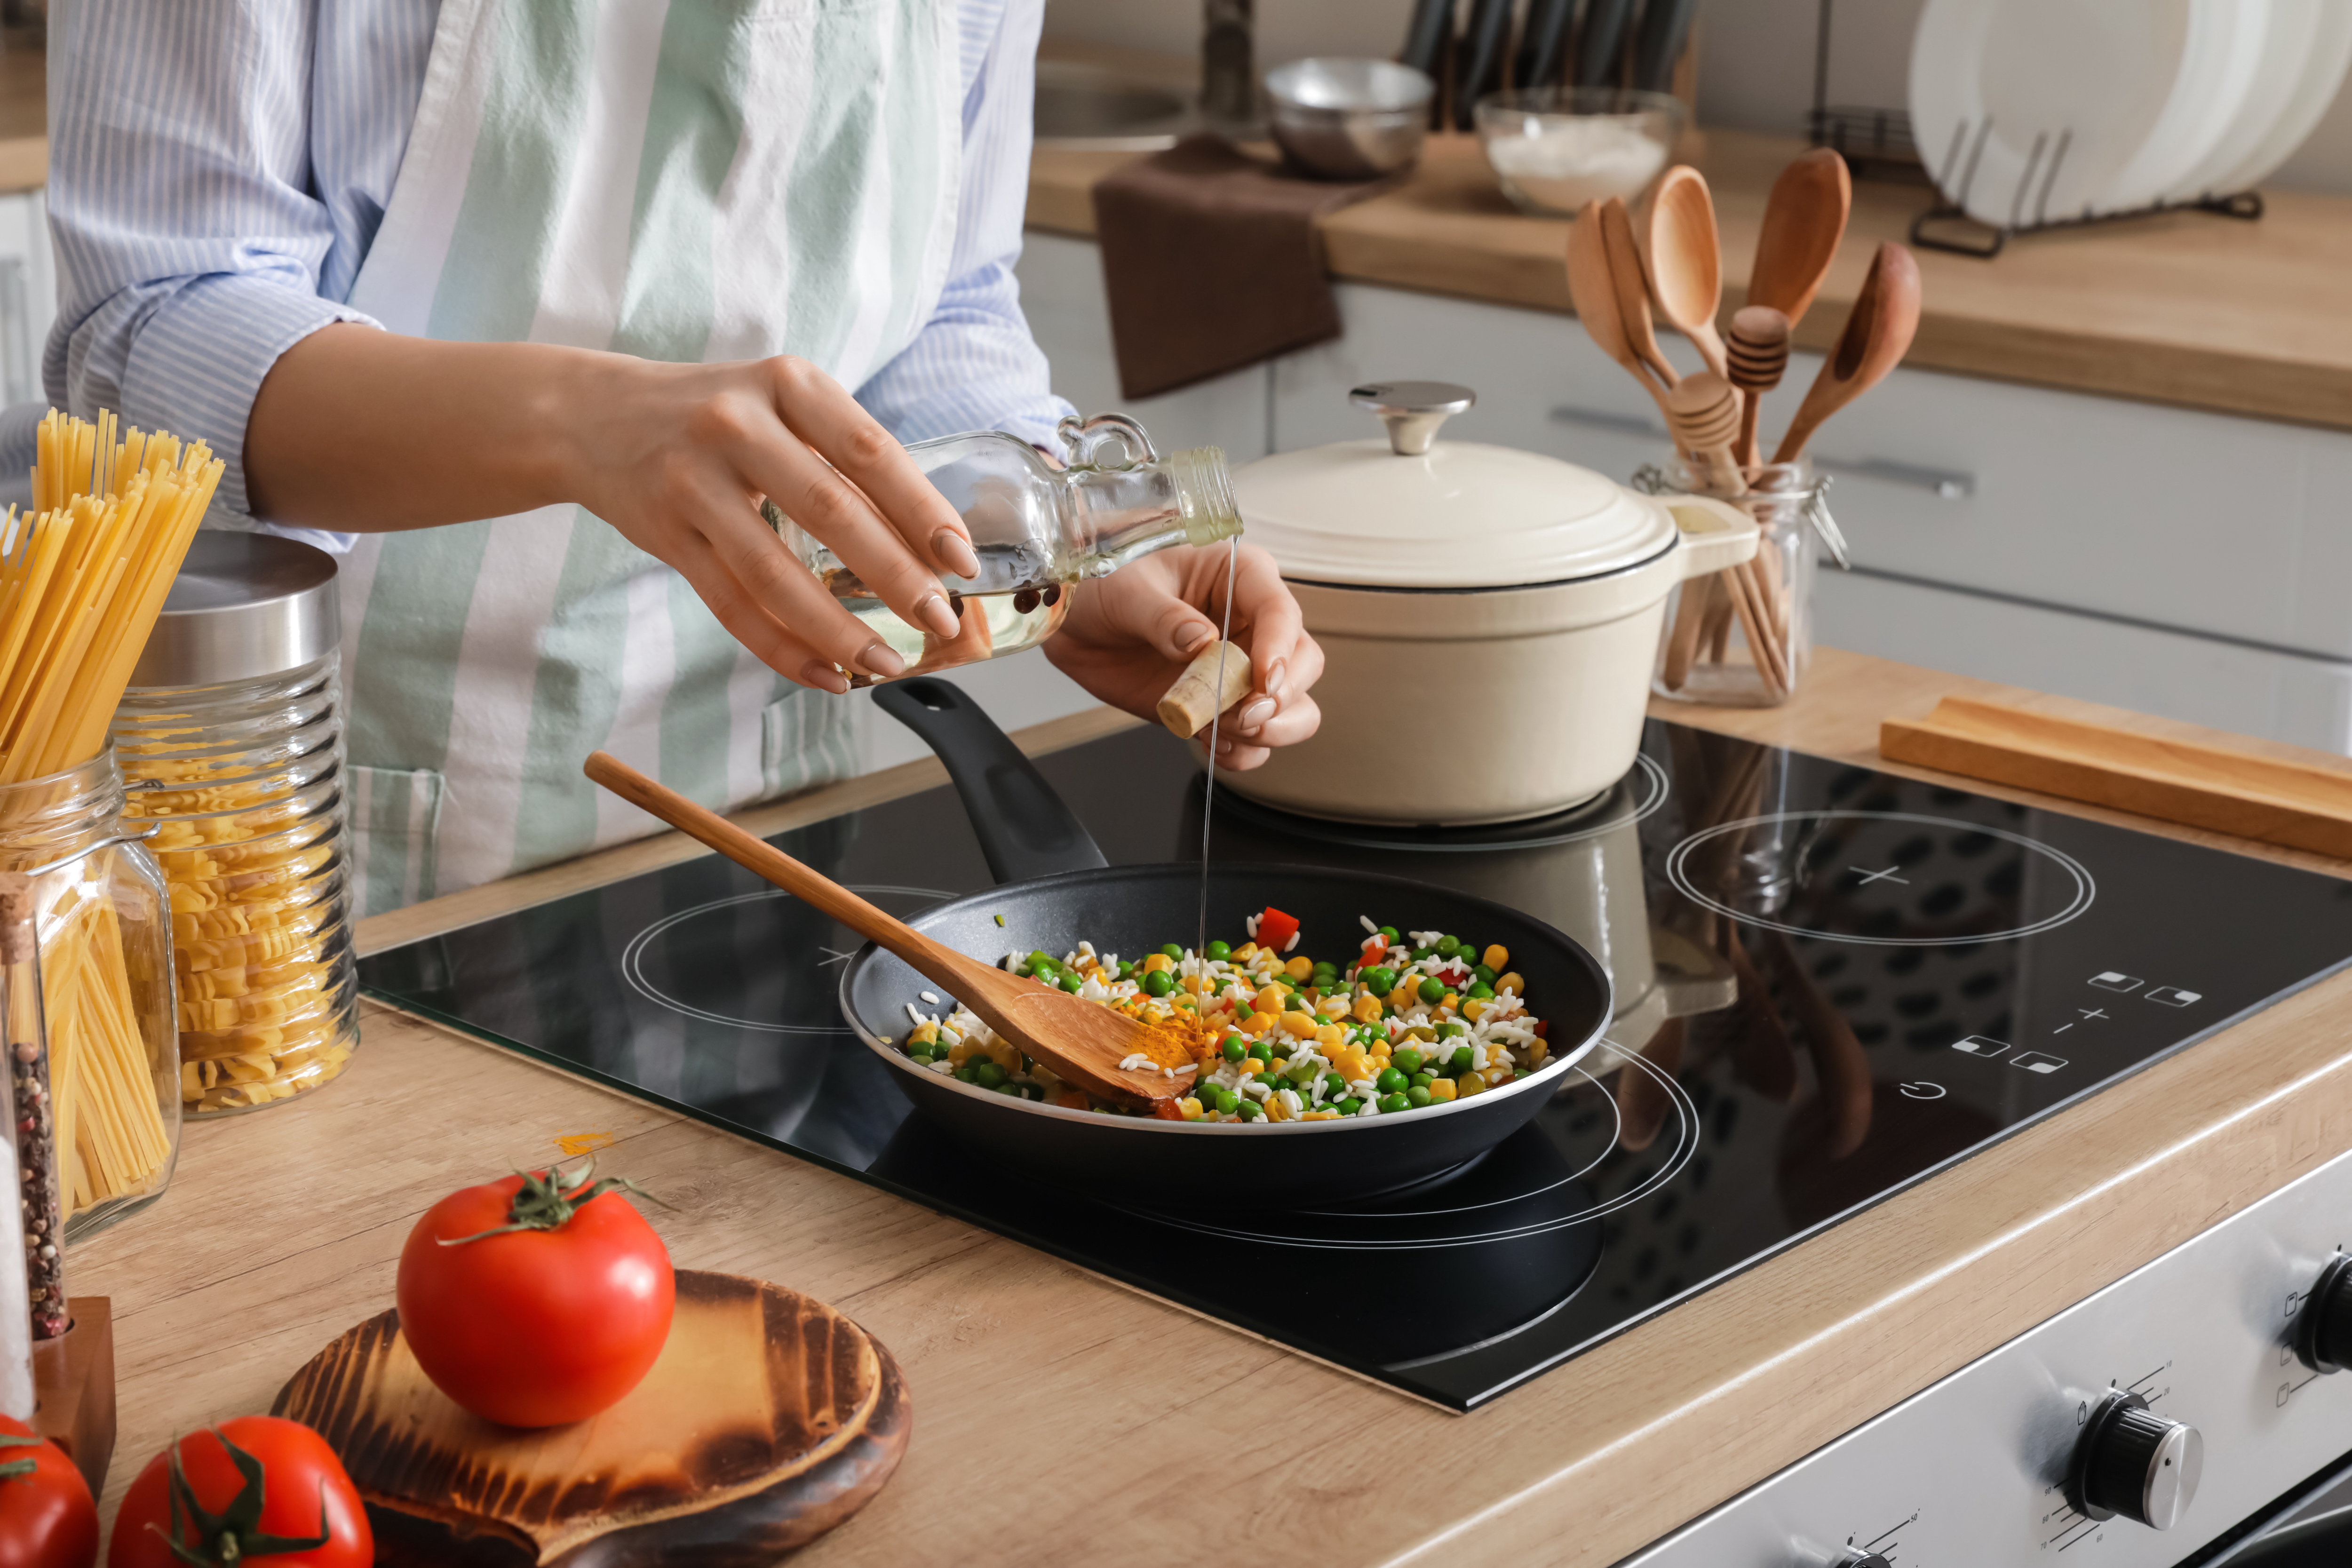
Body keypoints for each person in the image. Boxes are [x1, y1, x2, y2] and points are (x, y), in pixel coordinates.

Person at [9, 0, 1321, 915]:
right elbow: (152, 333)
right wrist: (585, 425)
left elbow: (939, 307)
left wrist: (1067, 543)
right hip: (314, 824)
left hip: (767, 825)